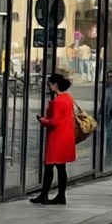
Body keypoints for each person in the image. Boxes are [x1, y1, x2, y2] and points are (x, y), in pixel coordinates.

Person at [31, 72, 76, 205]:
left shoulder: (57, 101)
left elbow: (54, 122)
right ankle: (60, 195)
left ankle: (44, 194)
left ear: (55, 85)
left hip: (57, 138)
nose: (49, 87)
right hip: (67, 136)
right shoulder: (68, 98)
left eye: (50, 84)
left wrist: (43, 120)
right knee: (61, 168)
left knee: (49, 167)